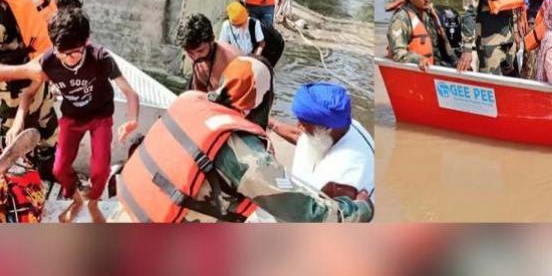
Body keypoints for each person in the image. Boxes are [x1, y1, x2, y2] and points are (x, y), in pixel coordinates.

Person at [116, 56, 374, 223]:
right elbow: (306, 214)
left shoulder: (189, 101)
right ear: (261, 102)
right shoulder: (245, 155)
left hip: (127, 213)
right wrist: (361, 209)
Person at [0, 8, 140, 223]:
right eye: (62, 53)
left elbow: (130, 92)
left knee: (101, 169)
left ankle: (93, 203)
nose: (69, 59)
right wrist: (18, 122)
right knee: (59, 169)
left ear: (86, 42)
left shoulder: (100, 58)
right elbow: (28, 93)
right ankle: (76, 200)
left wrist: (132, 119)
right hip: (72, 117)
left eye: (74, 53)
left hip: (100, 116)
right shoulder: (49, 61)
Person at [0, 0, 59, 183]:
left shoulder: (32, 0)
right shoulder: (3, 13)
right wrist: (26, 70)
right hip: (10, 102)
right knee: (13, 161)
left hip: (39, 89)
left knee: (48, 137)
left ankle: (46, 180)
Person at [287, 83, 375, 203]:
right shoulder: (342, 125)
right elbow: (301, 137)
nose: (298, 125)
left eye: (303, 123)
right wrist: (270, 123)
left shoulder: (341, 177)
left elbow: (320, 212)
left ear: (325, 128)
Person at [386, 0, 443, 70]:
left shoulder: (427, 15)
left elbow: (436, 47)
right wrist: (418, 59)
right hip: (413, 70)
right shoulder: (401, 20)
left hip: (432, 68)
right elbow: (398, 54)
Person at [177, 13, 241, 93]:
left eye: (200, 51)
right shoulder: (198, 57)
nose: (196, 57)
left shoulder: (234, 61)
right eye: (190, 52)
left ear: (212, 39)